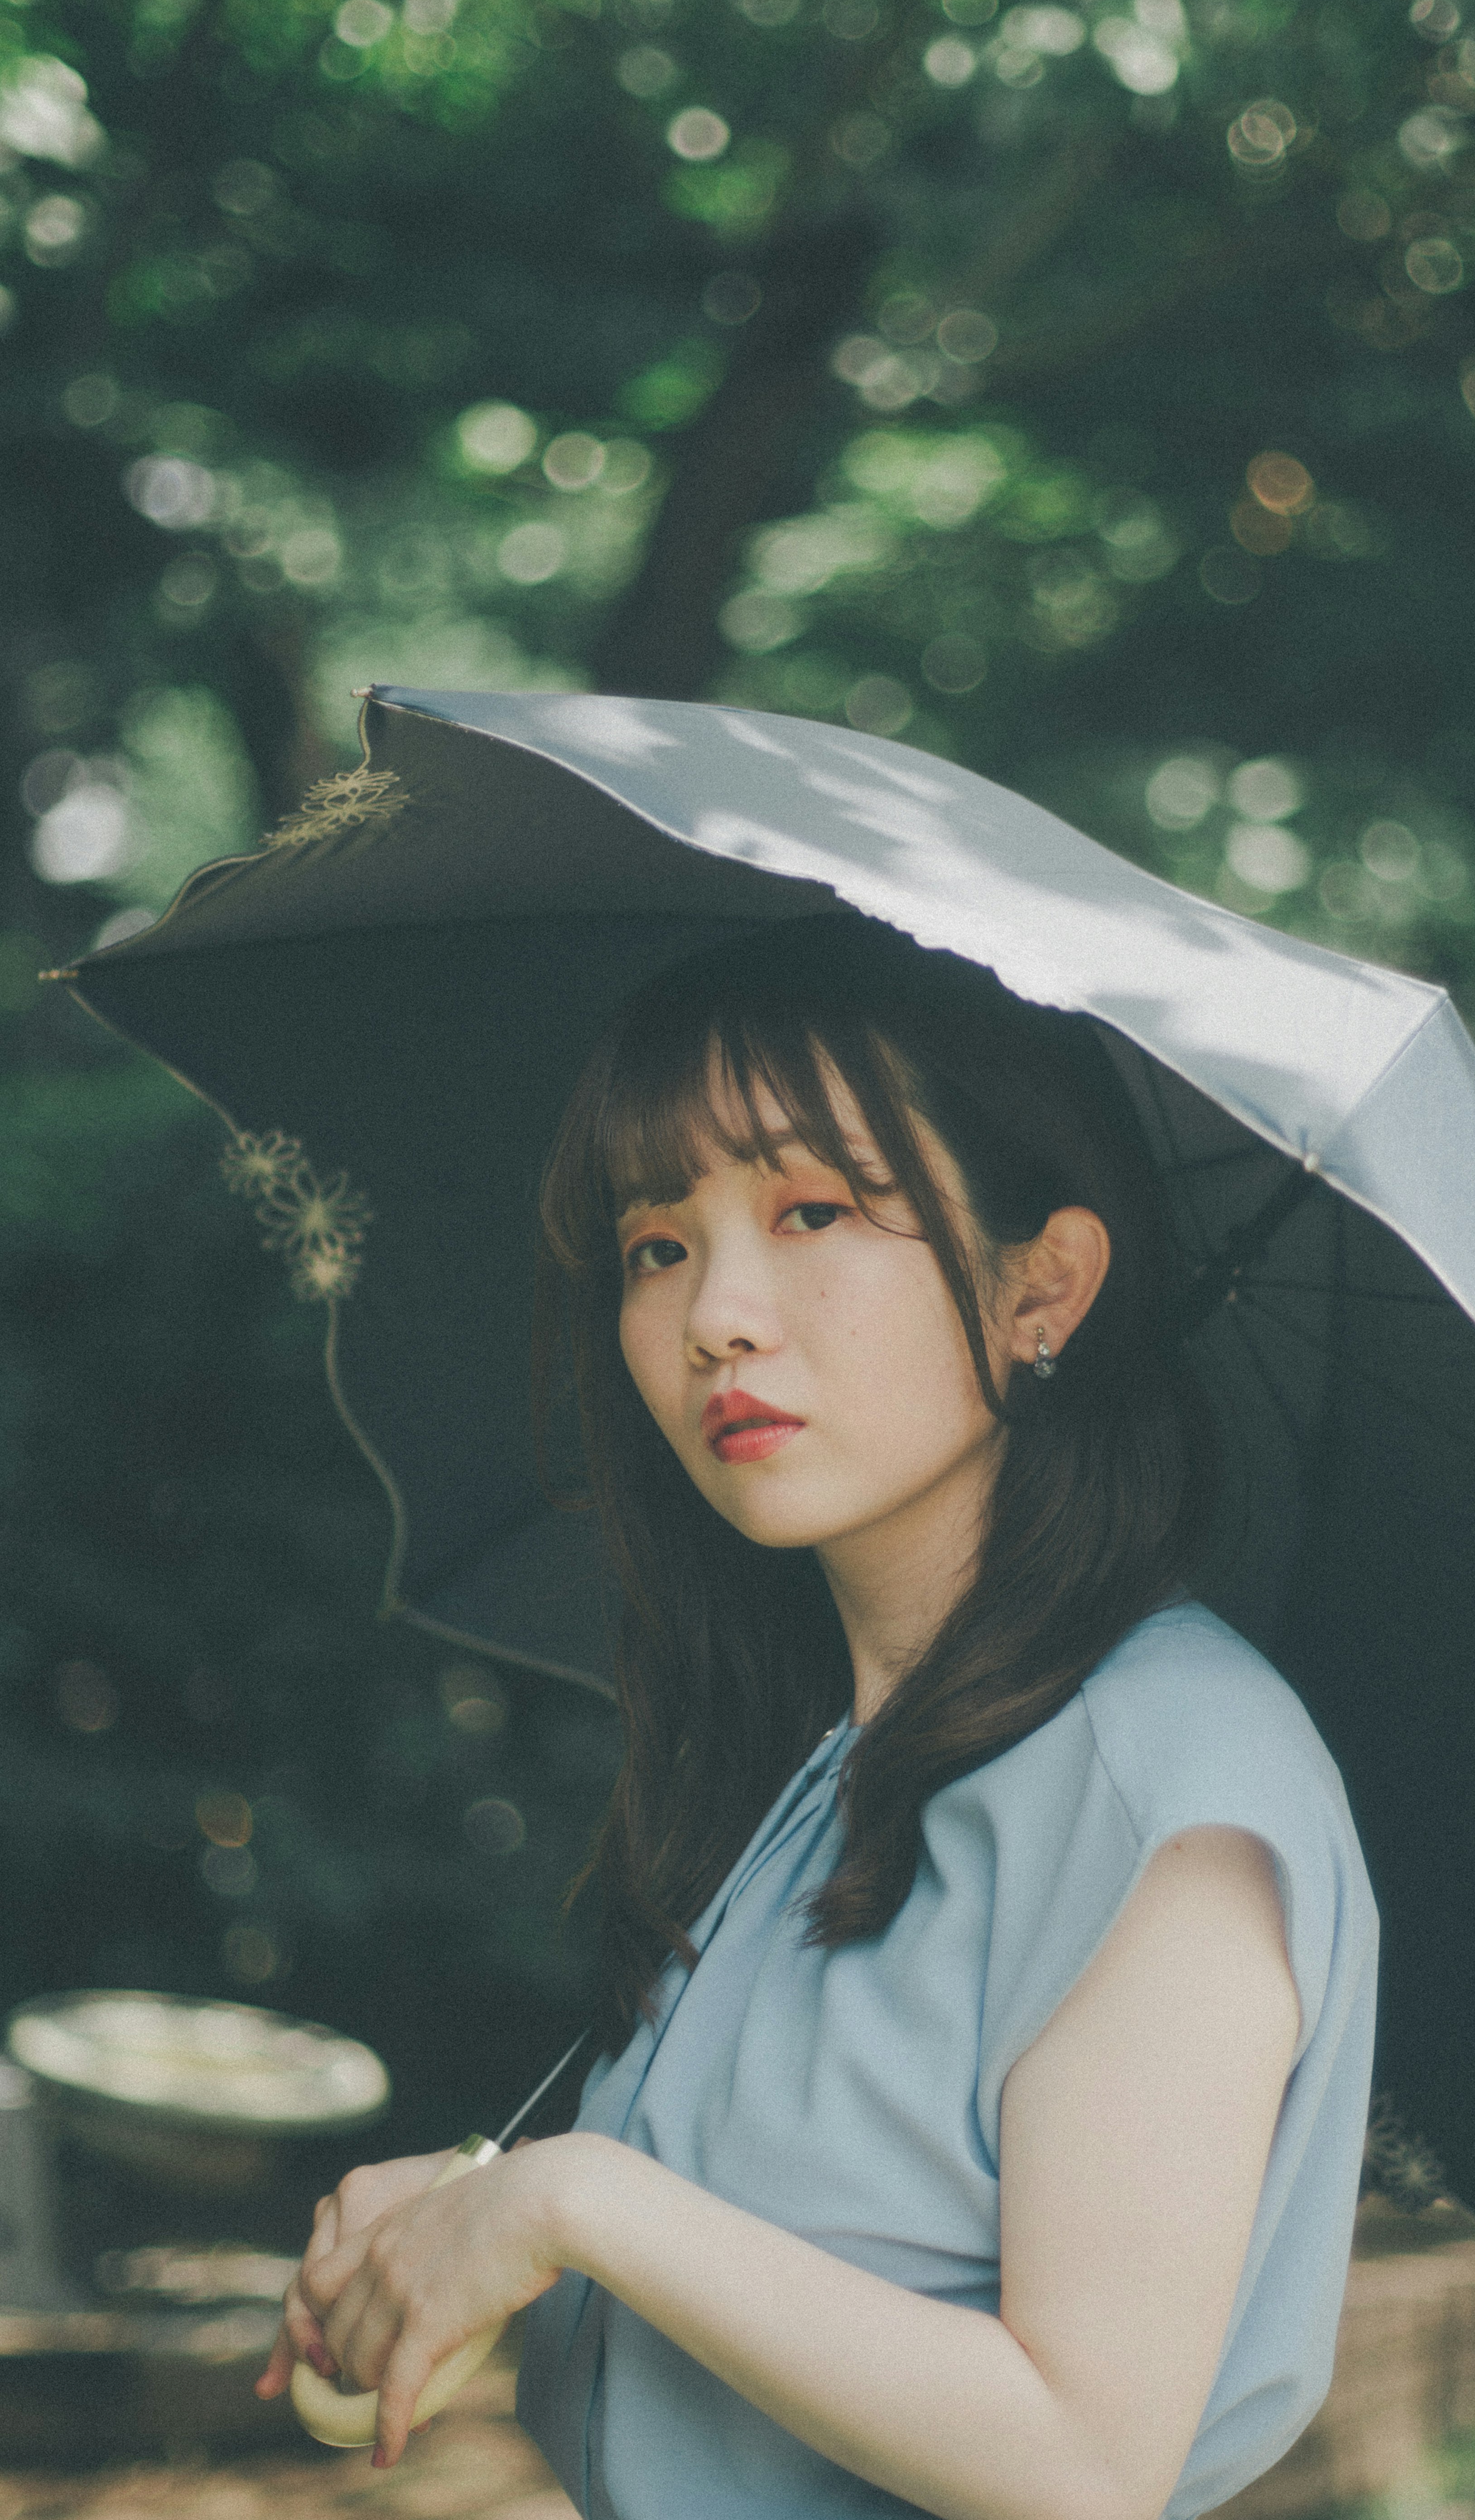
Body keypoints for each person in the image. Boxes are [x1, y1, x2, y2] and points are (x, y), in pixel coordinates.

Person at [258, 916, 1379, 2520]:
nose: (718, 1313)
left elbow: (1080, 2455)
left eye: (814, 1210)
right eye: (658, 1244)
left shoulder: (1168, 1778)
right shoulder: (826, 1771)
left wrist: (578, 2203)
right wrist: (459, 2226)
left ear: (1041, 1286)